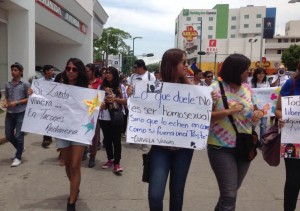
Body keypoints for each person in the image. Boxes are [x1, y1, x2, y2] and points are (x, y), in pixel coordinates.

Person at [129, 48, 194, 211]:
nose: (186, 65)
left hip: (184, 148)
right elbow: (141, 105)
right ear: (172, 64)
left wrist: (210, 99)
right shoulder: (155, 87)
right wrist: (132, 94)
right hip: (160, 148)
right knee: (155, 194)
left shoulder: (192, 89)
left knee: (177, 193)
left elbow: (202, 111)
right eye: (183, 62)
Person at [207, 54, 264, 211]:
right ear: (235, 70)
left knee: (231, 192)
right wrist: (228, 111)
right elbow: (204, 117)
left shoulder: (247, 88)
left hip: (244, 146)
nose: (249, 73)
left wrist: (259, 114)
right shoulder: (214, 88)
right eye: (246, 70)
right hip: (220, 147)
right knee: (229, 195)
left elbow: (257, 109)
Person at [57, 58, 89, 211]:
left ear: (79, 71)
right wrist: (33, 93)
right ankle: (75, 188)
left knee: (75, 165)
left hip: (80, 130)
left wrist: (100, 104)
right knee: (68, 164)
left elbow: (94, 105)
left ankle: (71, 202)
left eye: (74, 69)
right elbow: (45, 99)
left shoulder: (87, 88)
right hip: (62, 129)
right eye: (68, 68)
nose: (70, 71)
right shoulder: (58, 86)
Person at [275, 61, 300, 211]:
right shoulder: (291, 84)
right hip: (293, 140)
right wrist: (282, 117)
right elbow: (277, 109)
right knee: (293, 181)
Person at [99, 66, 127, 173]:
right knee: (107, 139)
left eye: (110, 73)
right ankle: (110, 159)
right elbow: (96, 100)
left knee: (116, 140)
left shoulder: (121, 86)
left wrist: (115, 99)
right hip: (104, 117)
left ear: (115, 74)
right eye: (106, 73)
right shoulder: (101, 86)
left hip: (117, 116)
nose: (108, 74)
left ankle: (117, 163)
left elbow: (126, 101)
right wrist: (103, 101)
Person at [2, 62, 30, 167]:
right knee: (9, 135)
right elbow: (7, 96)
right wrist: (5, 102)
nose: (13, 72)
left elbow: (30, 99)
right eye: (12, 70)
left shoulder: (25, 84)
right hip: (9, 113)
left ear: (21, 72)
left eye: (15, 70)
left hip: (21, 113)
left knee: (19, 135)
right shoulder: (8, 83)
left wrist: (16, 102)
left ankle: (18, 157)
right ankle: (20, 147)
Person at [127, 59, 155, 151]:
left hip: (146, 104)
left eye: (136, 67)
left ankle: (144, 143)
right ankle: (133, 137)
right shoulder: (132, 76)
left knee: (145, 123)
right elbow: (128, 88)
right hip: (134, 103)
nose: (134, 69)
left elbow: (154, 90)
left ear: (141, 67)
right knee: (133, 121)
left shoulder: (150, 76)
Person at [85, 63, 102, 168]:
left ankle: (92, 156)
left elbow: (100, 98)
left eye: (88, 71)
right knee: (83, 132)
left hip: (94, 113)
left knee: (94, 136)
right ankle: (83, 152)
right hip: (82, 112)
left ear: (93, 71)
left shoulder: (100, 83)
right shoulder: (82, 82)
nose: (86, 73)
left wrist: (92, 91)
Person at [39, 65, 55, 148]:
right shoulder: (39, 81)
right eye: (51, 70)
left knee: (51, 121)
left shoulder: (55, 81)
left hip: (53, 105)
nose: (53, 72)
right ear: (46, 71)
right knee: (45, 121)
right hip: (43, 104)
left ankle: (49, 137)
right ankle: (46, 138)